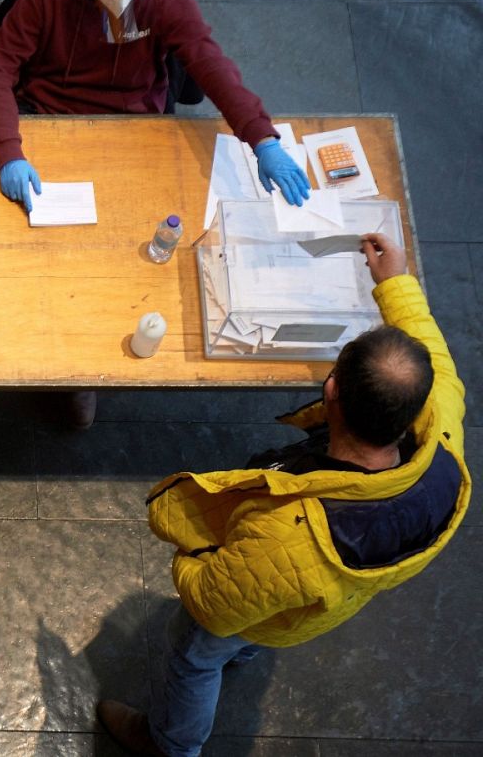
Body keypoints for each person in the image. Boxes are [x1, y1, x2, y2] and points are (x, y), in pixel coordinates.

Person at [97, 232, 469, 757]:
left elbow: (210, 602)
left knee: (194, 653)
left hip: (271, 585)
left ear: (332, 390)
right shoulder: (441, 431)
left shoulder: (291, 539)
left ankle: (169, 743)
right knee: (245, 633)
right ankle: (244, 653)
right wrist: (396, 282)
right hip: (314, 599)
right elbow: (429, 350)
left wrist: (193, 551)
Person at [0, 0, 311, 214]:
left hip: (135, 118)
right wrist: (8, 153)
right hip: (52, 111)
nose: (119, 1)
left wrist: (262, 139)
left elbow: (212, 67)